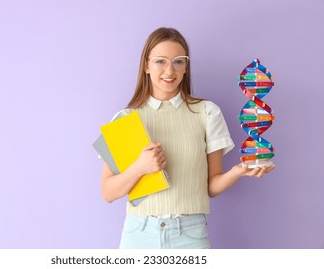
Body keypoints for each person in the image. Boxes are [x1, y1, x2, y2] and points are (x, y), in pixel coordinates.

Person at [100, 27, 275, 249]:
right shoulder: (125, 119)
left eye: (178, 61)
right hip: (139, 235)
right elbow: (108, 192)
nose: (169, 70)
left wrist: (238, 171)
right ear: (146, 65)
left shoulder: (207, 112)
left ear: (186, 67)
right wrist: (139, 168)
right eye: (160, 61)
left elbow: (211, 187)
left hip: (190, 235)